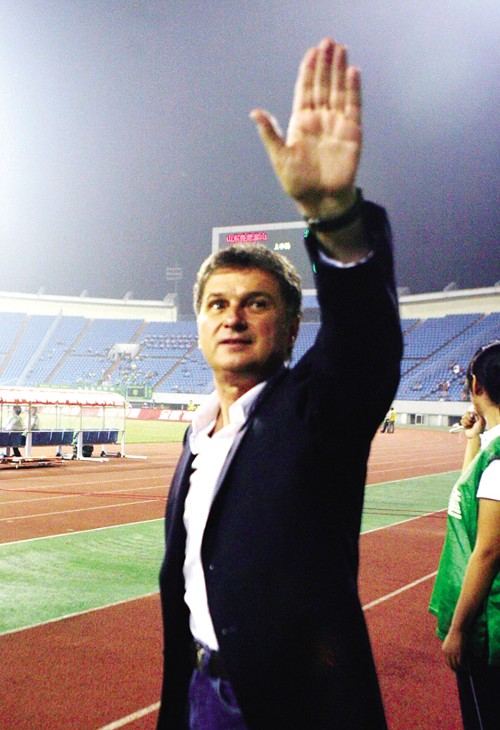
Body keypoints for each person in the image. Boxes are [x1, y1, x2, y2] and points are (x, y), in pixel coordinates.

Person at [158, 37, 402, 729]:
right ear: (199, 324)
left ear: (292, 327)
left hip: (294, 708)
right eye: (217, 304)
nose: (233, 317)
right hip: (201, 690)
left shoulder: (315, 413)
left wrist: (334, 217)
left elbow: (364, 345)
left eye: (256, 303)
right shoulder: (199, 433)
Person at [429, 341, 500, 729]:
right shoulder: (492, 449)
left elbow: (487, 551)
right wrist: (473, 437)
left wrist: (457, 629)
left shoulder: (498, 462)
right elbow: (468, 491)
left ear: (476, 386)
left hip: (488, 627)